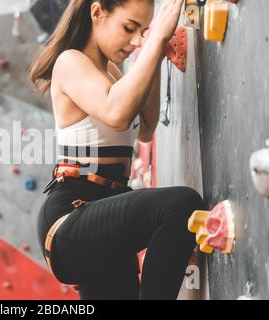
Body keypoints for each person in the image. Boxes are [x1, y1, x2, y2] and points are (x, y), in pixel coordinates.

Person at [28, 0, 206, 300]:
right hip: (72, 216)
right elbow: (116, 112)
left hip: (104, 212)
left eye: (143, 31)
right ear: (97, 12)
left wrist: (155, 51)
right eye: (129, 28)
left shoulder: (110, 70)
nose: (136, 40)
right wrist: (156, 39)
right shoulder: (70, 62)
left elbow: (146, 127)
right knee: (181, 205)